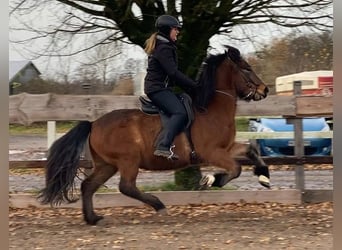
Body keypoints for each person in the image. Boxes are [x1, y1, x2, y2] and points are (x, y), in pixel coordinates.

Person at [144, 14, 198, 160]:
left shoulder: (165, 46)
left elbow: (173, 75)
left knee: (186, 102)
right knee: (180, 113)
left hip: (162, 88)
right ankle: (163, 146)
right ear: (167, 30)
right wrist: (194, 86)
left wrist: (191, 88)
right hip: (157, 89)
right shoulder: (163, 48)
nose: (178, 32)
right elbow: (173, 73)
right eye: (175, 29)